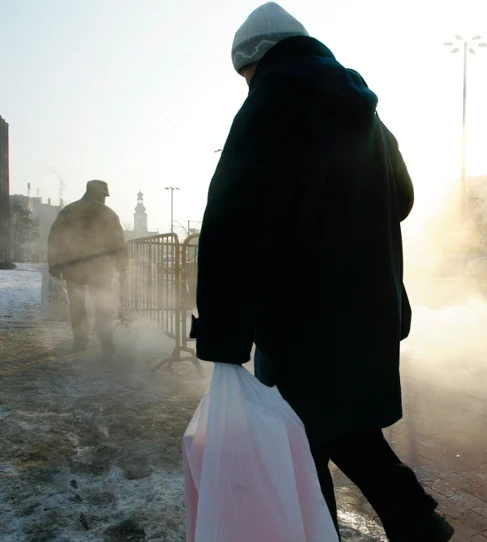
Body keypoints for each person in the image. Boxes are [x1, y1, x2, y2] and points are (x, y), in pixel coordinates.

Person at [191, 3, 453, 541]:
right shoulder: (366, 111)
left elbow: (231, 218)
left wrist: (223, 334)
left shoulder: (271, 101)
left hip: (302, 322)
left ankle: (329, 533)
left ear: (253, 63)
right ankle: (419, 525)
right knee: (348, 427)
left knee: (297, 446)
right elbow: (401, 198)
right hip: (369, 315)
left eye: (245, 75)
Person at [47, 180, 126, 355]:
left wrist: (54, 264)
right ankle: (106, 342)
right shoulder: (108, 213)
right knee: (102, 304)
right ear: (98, 193)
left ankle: (80, 341)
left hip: (73, 268)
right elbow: (118, 242)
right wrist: (122, 265)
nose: (105, 199)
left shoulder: (69, 210)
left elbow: (55, 239)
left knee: (77, 305)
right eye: (104, 195)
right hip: (101, 268)